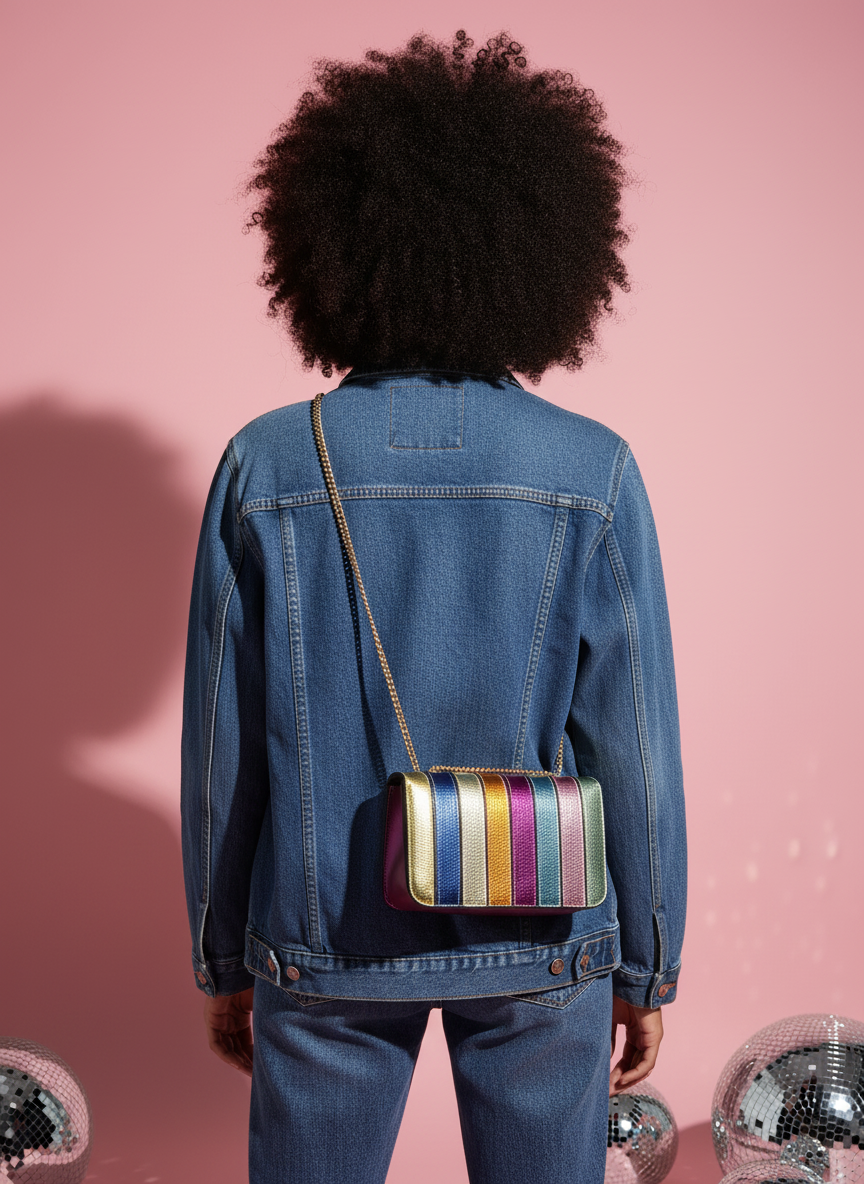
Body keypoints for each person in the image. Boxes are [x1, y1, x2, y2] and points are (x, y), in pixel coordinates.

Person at [180, 30, 687, 1184]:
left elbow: (222, 750)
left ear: (326, 248)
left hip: (322, 938)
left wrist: (224, 956)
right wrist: (647, 965)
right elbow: (637, 750)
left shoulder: (267, 466)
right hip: (544, 931)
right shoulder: (593, 469)